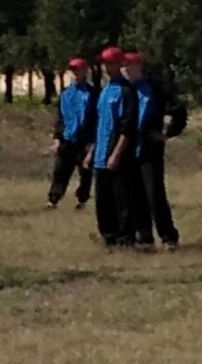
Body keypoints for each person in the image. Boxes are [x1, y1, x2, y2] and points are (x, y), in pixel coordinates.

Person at [124, 51, 185, 249]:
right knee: (134, 194)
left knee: (154, 193)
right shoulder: (123, 89)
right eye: (123, 66)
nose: (126, 69)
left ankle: (168, 236)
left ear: (139, 66)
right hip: (127, 149)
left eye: (129, 65)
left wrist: (167, 133)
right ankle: (144, 235)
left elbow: (178, 110)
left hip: (150, 149)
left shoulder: (154, 88)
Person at [92, 46, 138, 247]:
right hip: (100, 154)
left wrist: (117, 154)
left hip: (117, 155)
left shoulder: (126, 91)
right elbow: (101, 123)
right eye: (104, 63)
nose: (106, 67)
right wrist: (93, 151)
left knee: (122, 198)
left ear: (120, 64)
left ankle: (125, 237)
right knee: (103, 199)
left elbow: (127, 127)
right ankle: (108, 235)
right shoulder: (104, 91)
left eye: (110, 63)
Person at [48, 57, 97, 209]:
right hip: (67, 139)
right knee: (60, 170)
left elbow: (97, 118)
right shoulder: (66, 94)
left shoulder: (93, 94)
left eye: (78, 70)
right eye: (73, 70)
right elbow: (60, 118)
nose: (76, 73)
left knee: (85, 172)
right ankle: (53, 198)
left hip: (86, 140)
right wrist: (57, 138)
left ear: (85, 71)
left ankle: (82, 199)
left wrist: (94, 142)